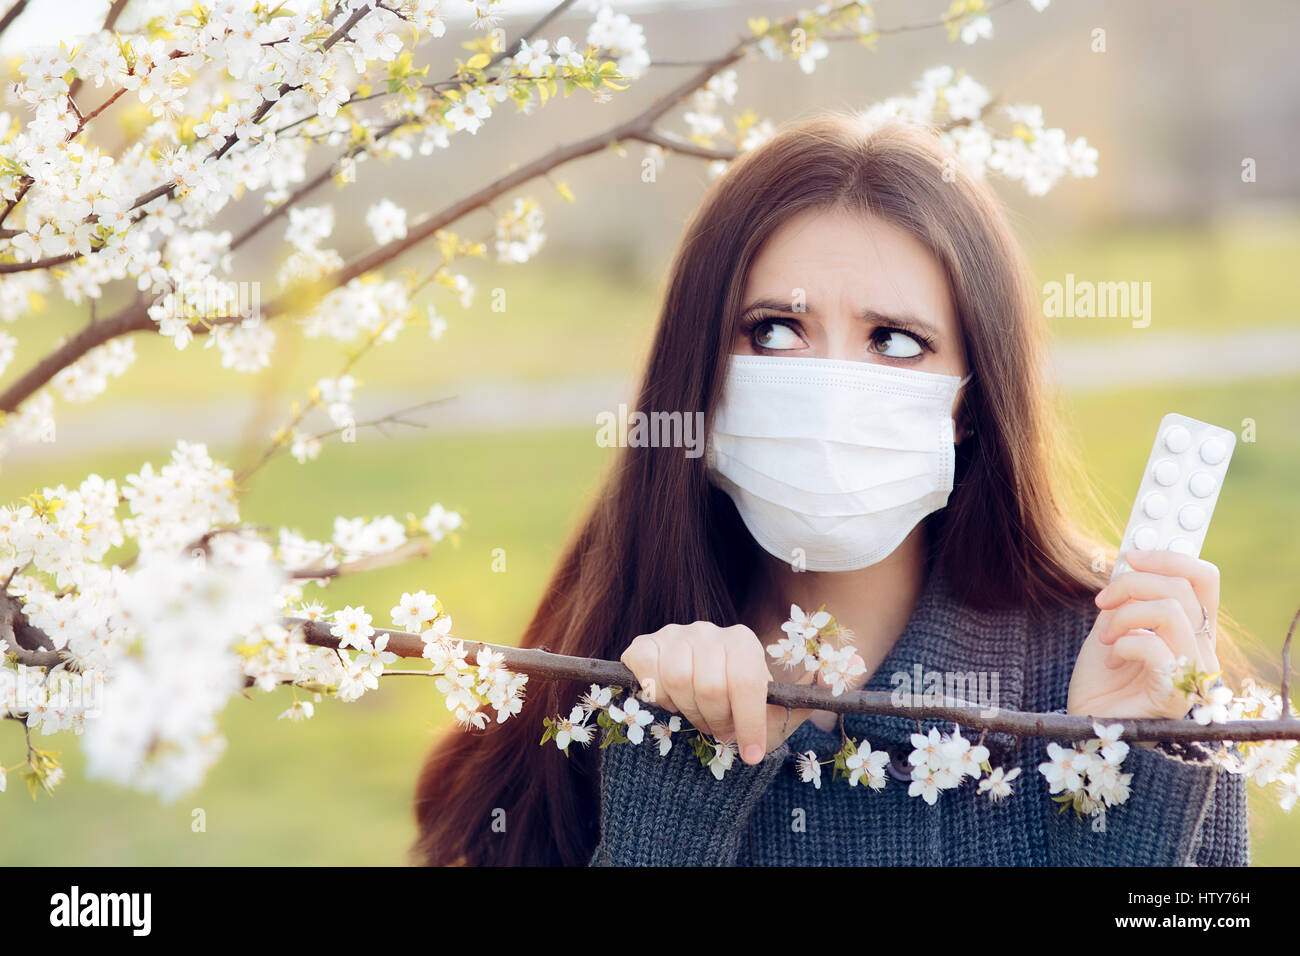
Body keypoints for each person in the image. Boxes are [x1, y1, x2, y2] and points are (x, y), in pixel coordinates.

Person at [410, 112, 1251, 867]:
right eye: (775, 331)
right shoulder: (603, 694)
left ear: (969, 404)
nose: (831, 389)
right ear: (698, 375)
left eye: (894, 341)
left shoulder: (1123, 669)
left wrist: (1132, 766)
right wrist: (670, 813)